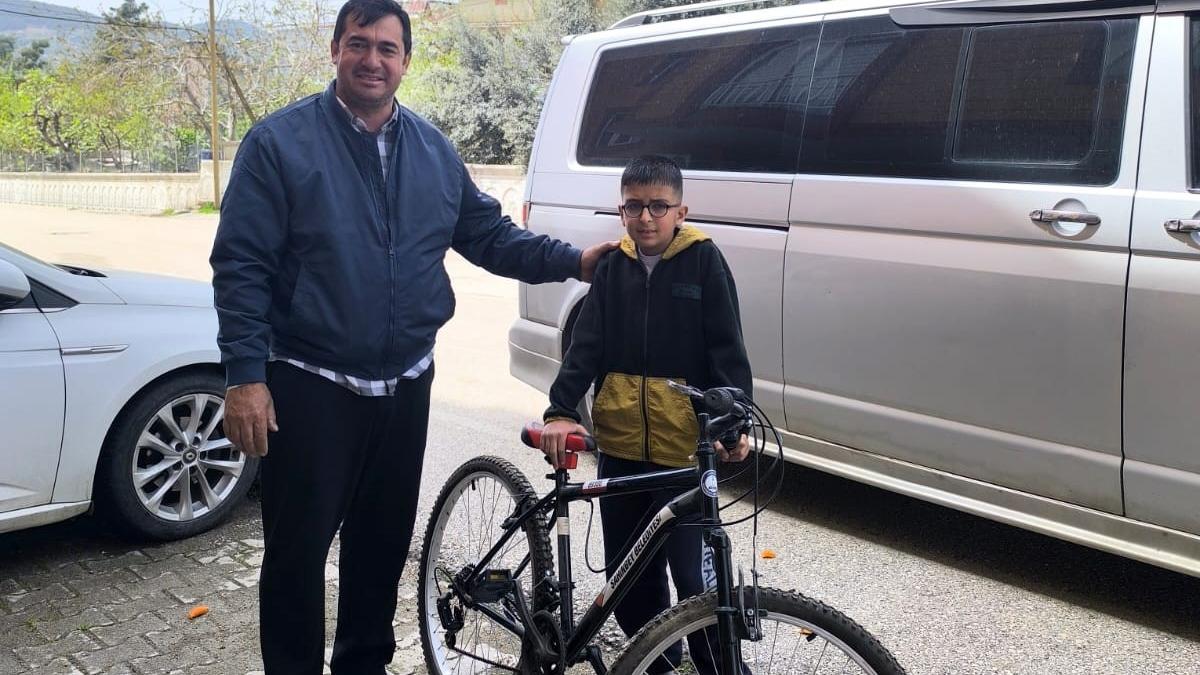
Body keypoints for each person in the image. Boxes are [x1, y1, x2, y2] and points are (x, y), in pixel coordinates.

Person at [209, 1, 615, 672]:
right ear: (335, 50)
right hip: (311, 382)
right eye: (358, 43)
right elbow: (240, 265)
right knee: (297, 555)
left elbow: (488, 235)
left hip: (405, 385)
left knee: (381, 548)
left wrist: (574, 261)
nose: (372, 59)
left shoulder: (432, 149)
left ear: (405, 61)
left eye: (387, 48)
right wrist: (245, 376)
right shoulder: (278, 144)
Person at [538, 155, 753, 674]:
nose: (646, 217)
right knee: (631, 582)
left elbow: (727, 350)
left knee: (698, 583)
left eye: (659, 206)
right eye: (633, 206)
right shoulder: (613, 267)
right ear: (621, 211)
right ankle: (657, 665)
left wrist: (734, 422)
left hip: (684, 453)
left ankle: (720, 669)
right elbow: (586, 346)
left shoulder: (704, 261)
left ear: (681, 211)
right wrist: (560, 409)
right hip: (620, 450)